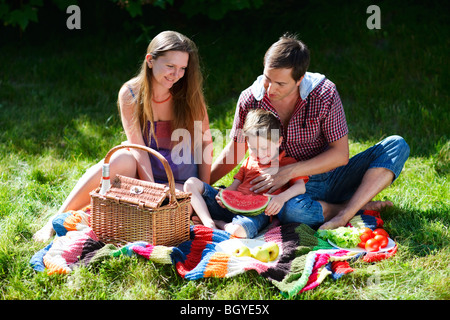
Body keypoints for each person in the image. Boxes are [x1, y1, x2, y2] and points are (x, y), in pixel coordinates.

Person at [210, 33, 410, 230]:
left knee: (396, 145)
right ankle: (353, 206)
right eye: (267, 78)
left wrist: (289, 171)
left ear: (299, 79)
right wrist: (205, 182)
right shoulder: (250, 99)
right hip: (295, 190)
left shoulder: (324, 93)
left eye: (280, 83)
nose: (270, 89)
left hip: (333, 175)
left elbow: (341, 155)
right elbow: (235, 150)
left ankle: (344, 215)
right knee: (292, 212)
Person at [34, 31, 212, 242]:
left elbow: (205, 143)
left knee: (181, 203)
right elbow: (138, 148)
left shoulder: (189, 95)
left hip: (179, 176)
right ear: (150, 61)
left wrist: (204, 190)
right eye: (170, 66)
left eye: (182, 68)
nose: (177, 74)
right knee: (119, 158)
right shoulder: (131, 93)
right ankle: (55, 219)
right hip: (144, 168)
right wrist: (153, 193)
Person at [184, 109, 308, 238]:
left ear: (279, 141)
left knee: (239, 232)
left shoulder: (288, 163)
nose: (259, 153)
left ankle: (219, 223)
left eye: (265, 148)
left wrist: (281, 198)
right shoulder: (249, 161)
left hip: (258, 214)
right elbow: (235, 185)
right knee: (191, 183)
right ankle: (209, 223)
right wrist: (224, 196)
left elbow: (300, 186)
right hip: (230, 206)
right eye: (253, 148)